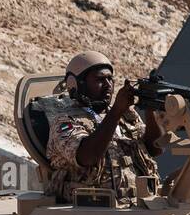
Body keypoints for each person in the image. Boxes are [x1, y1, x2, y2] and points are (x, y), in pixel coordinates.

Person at [43, 51, 163, 203]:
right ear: (78, 84)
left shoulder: (126, 116)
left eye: (110, 79)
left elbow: (155, 149)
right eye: (100, 80)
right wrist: (116, 111)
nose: (108, 85)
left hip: (137, 205)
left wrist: (150, 108)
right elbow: (87, 156)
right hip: (90, 209)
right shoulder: (65, 122)